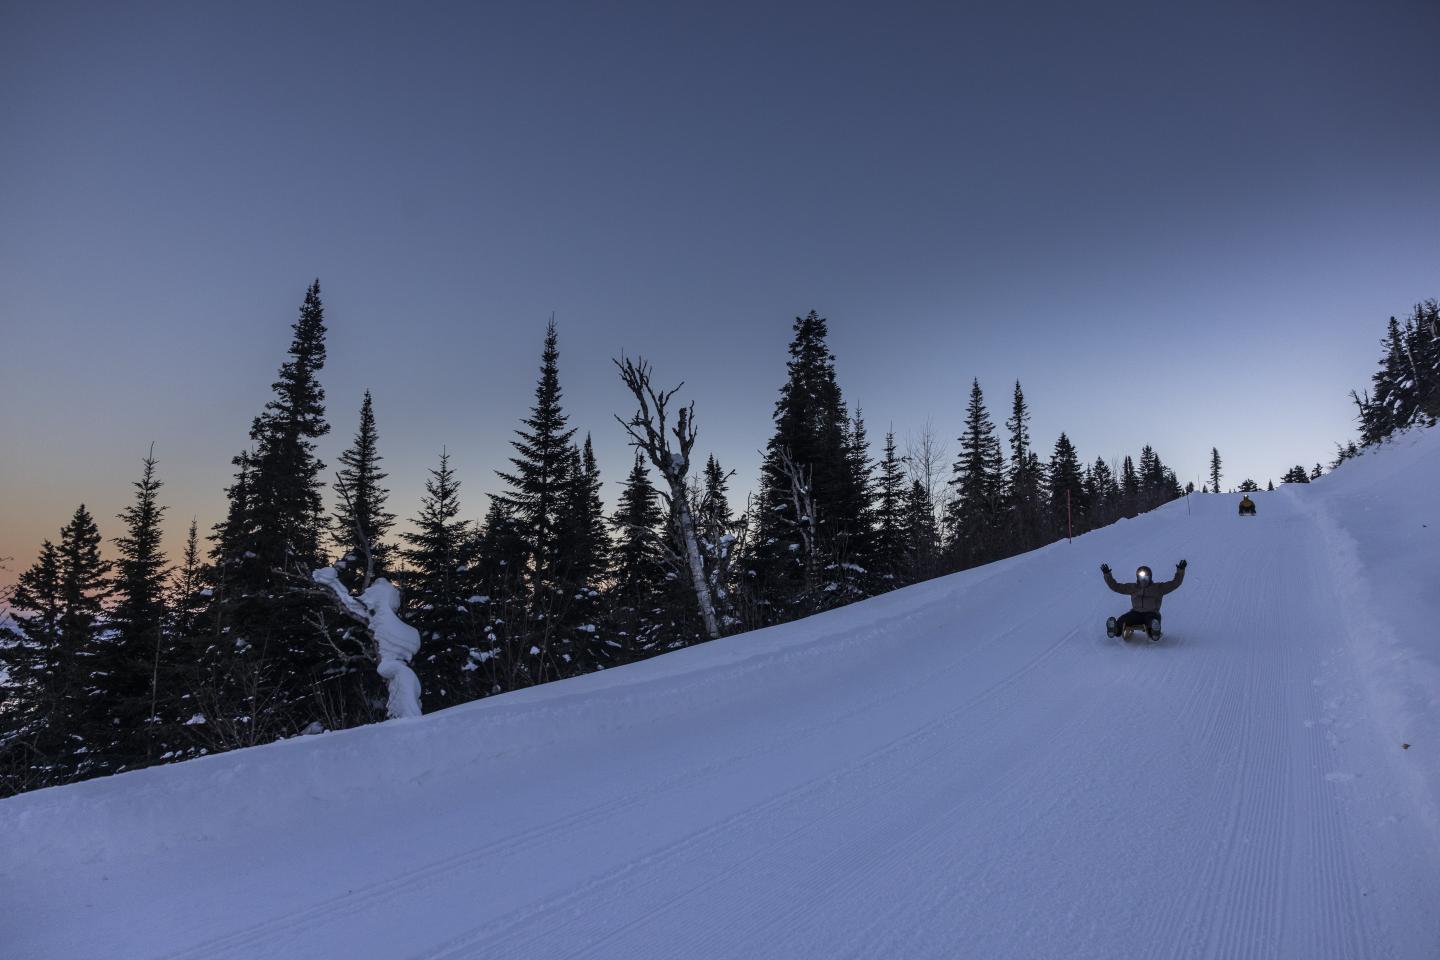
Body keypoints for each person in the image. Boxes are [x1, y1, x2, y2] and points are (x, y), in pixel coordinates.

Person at [1101, 560, 1186, 641]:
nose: (1143, 580)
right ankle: (1115, 629)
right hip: (1136, 613)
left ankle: (1154, 632)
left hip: (1152, 613)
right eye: (1141, 578)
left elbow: (1174, 584)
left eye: (1146, 577)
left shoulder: (1158, 588)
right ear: (1138, 578)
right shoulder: (1133, 587)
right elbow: (1116, 587)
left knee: (1152, 621)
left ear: (1150, 577)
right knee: (1123, 619)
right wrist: (1107, 574)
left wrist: (1180, 571)